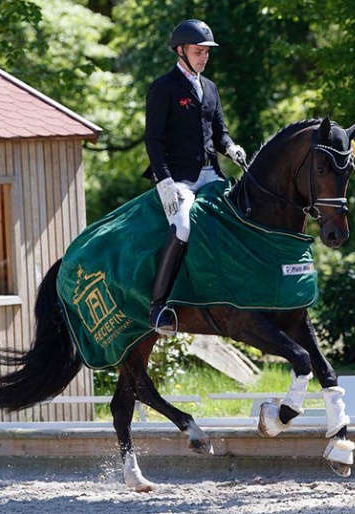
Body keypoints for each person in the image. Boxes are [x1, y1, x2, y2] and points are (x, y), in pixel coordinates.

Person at [144, 19, 246, 335]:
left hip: (211, 174)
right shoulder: (164, 88)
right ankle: (158, 307)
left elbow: (220, 133)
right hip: (180, 179)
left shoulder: (210, 88)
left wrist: (231, 148)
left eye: (206, 52)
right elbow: (154, 140)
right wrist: (165, 182)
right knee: (184, 225)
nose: (203, 57)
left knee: (241, 215)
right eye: (198, 51)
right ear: (181, 51)